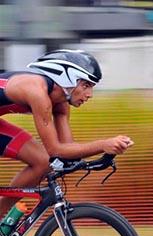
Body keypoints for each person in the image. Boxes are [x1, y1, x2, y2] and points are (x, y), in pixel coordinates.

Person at [0, 49, 133, 226]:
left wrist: (103, 156)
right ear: (67, 79)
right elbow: (55, 149)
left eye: (91, 87)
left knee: (42, 162)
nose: (89, 95)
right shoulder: (37, 92)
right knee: (44, 157)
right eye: (86, 86)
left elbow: (66, 151)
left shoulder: (61, 101)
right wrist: (103, 144)